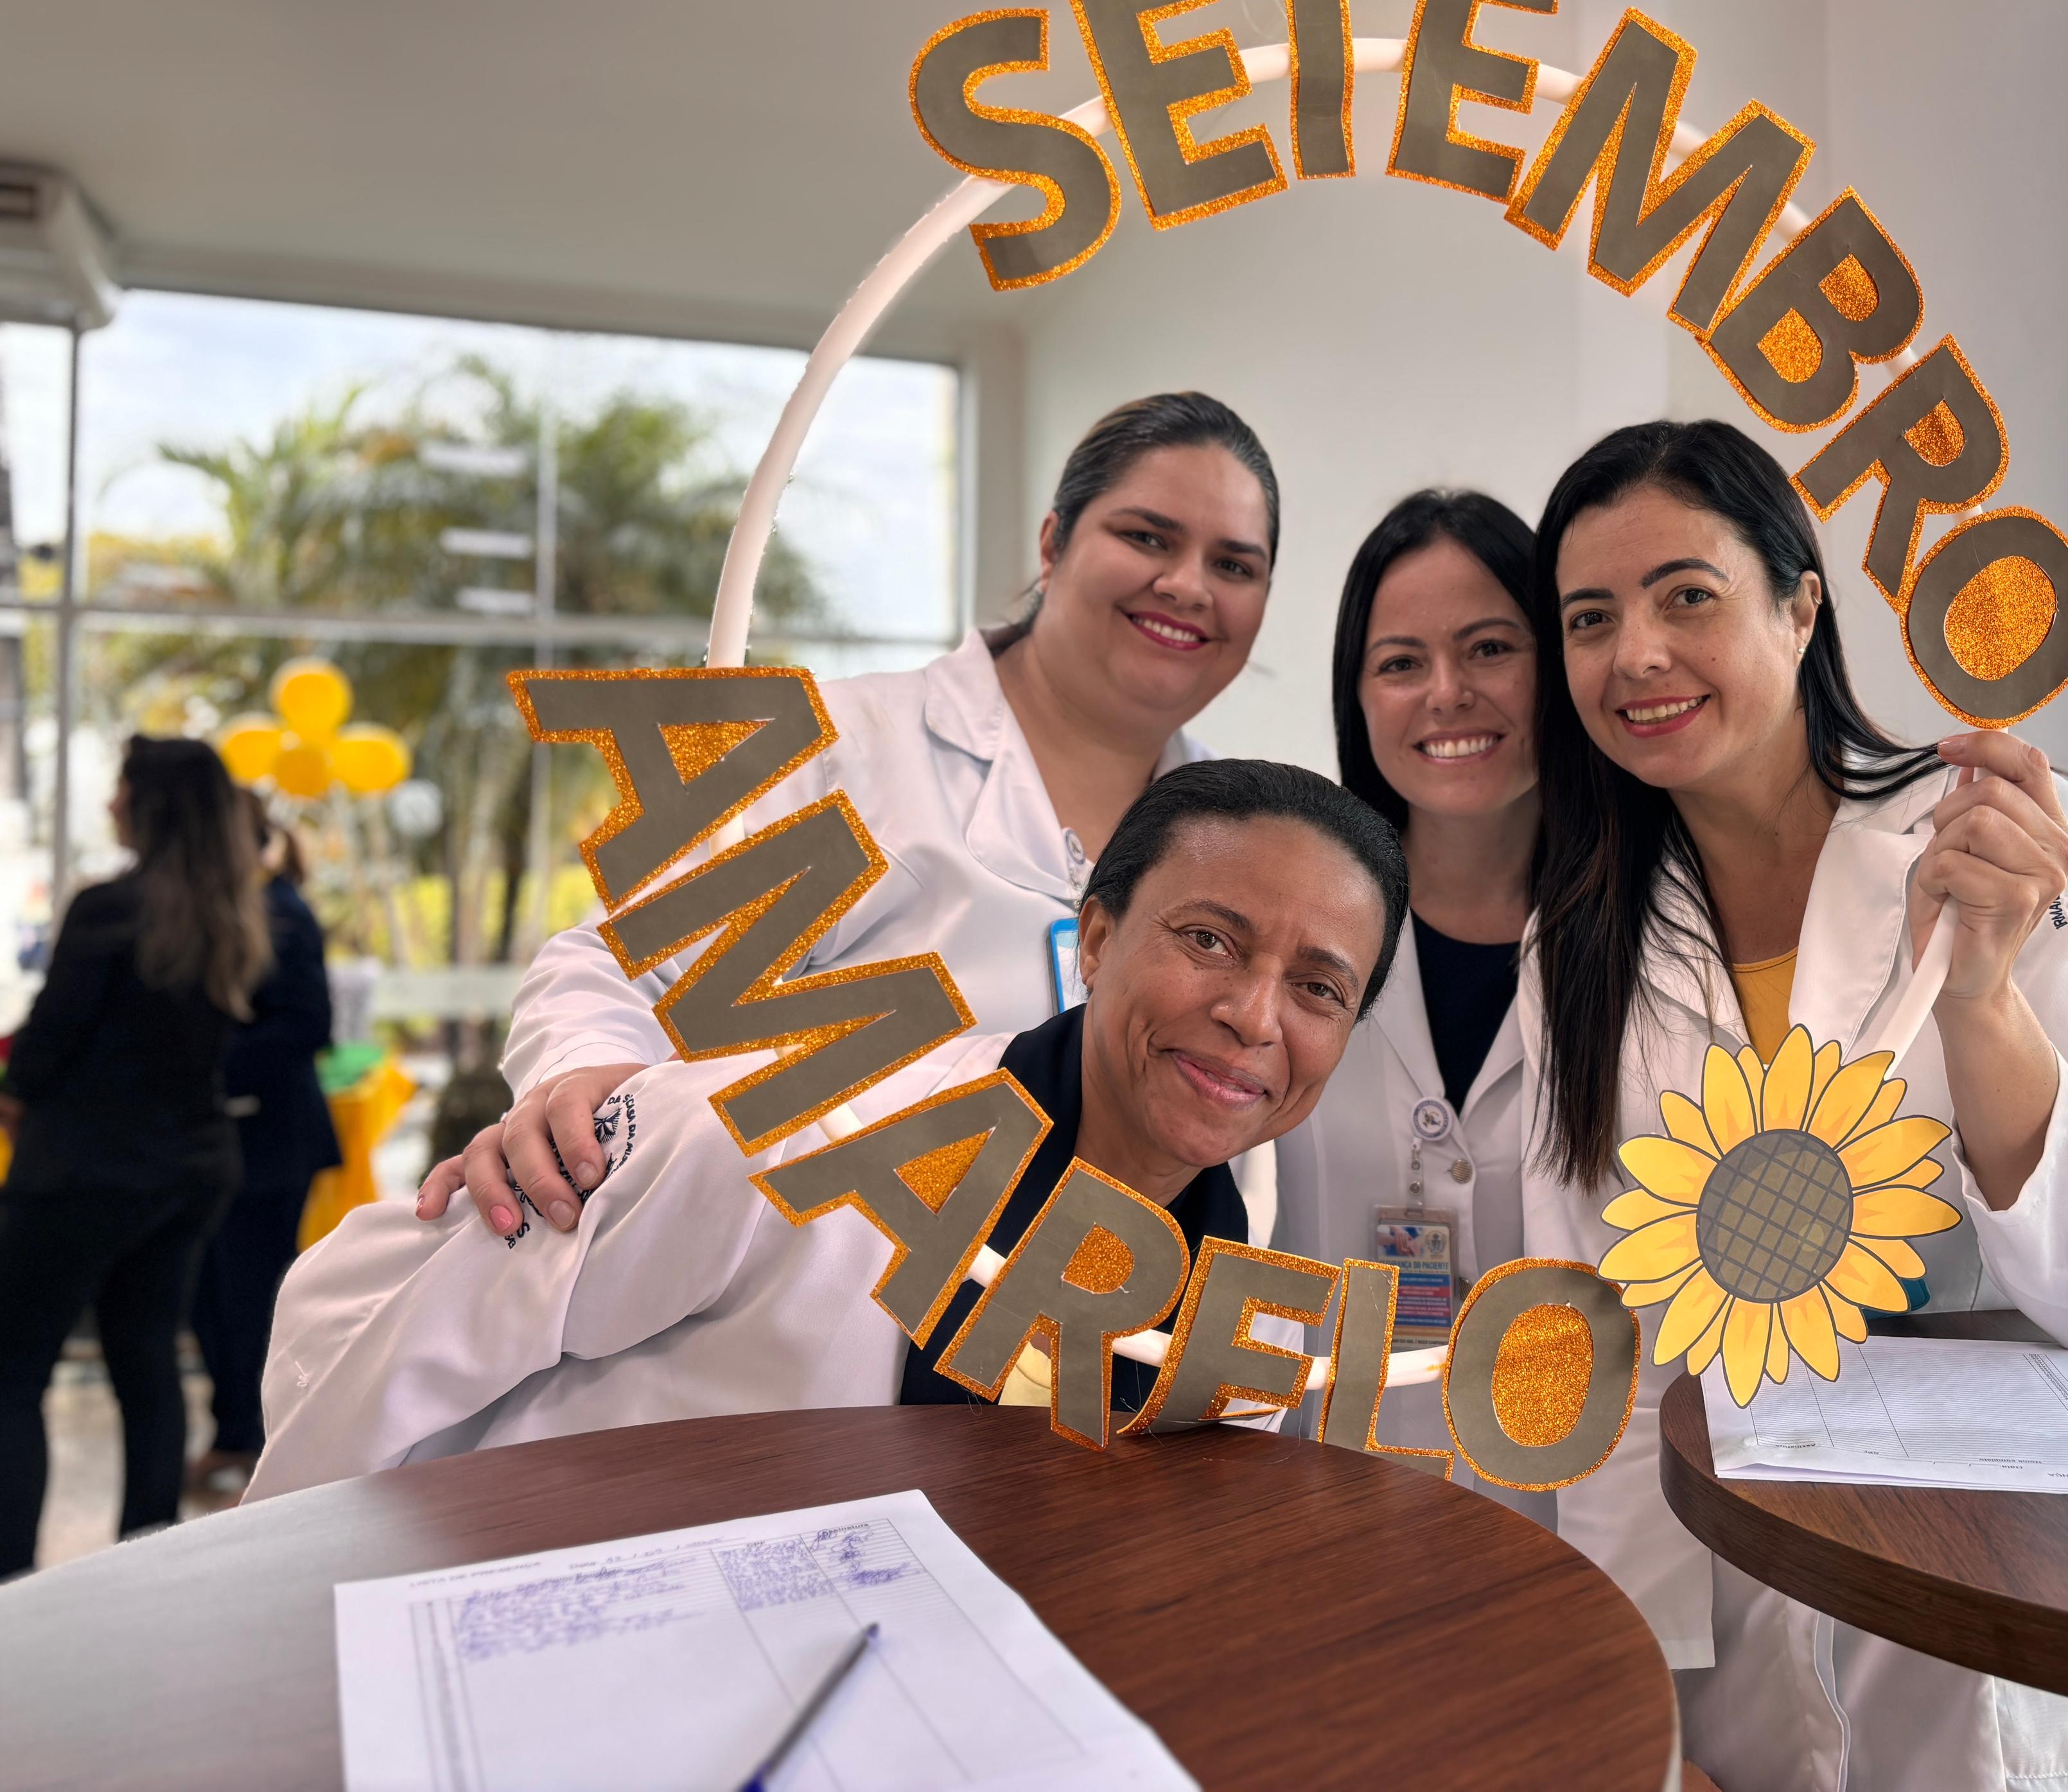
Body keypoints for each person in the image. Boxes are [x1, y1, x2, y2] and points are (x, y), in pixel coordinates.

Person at [1521, 421, 2068, 1792]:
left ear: (1801, 605)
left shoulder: (2001, 839)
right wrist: (1634, 1709)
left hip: (1994, 1608)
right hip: (1734, 1622)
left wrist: (1980, 998)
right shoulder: (1579, 938)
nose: (1635, 654)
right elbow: (1601, 1338)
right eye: (1590, 619)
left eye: (1686, 596)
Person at [248, 760, 1405, 1499]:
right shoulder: (797, 1129)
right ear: (1095, 940)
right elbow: (371, 1315)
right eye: (1209, 940)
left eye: (1319, 988)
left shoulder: (1239, 1326)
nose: (1254, 1016)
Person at [469, 391, 1287, 1246]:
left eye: (1234, 566)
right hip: (804, 1307)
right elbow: (622, 970)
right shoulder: (845, 751)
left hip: (1106, 1310)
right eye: (1147, 537)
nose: (1187, 585)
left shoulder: (1247, 842)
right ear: (1054, 545)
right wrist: (585, 1091)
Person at [1271, 489, 1546, 1515]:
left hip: (1579, 1505)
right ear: (1358, 696)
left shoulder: (1656, 944)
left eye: (1490, 649)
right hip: (1336, 1494)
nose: (1447, 693)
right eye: (1400, 663)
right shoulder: (1294, 930)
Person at [0, 736, 274, 1576]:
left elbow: (49, 1044)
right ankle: (148, 1571)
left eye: (121, 788)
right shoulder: (229, 913)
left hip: (84, 1171)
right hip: (187, 1168)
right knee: (148, 1366)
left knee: (12, 1374)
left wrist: (17, 1087)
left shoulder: (109, 907)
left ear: (151, 804)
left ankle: (12, 1583)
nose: (110, 802)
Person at [189, 794, 339, 1494]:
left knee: (253, 1299)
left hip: (273, 1141)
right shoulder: (230, 910)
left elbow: (309, 1023)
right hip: (231, 1139)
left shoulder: (281, 911)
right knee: (213, 1300)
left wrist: (208, 1060)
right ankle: (233, 1435)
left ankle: (258, 1444)